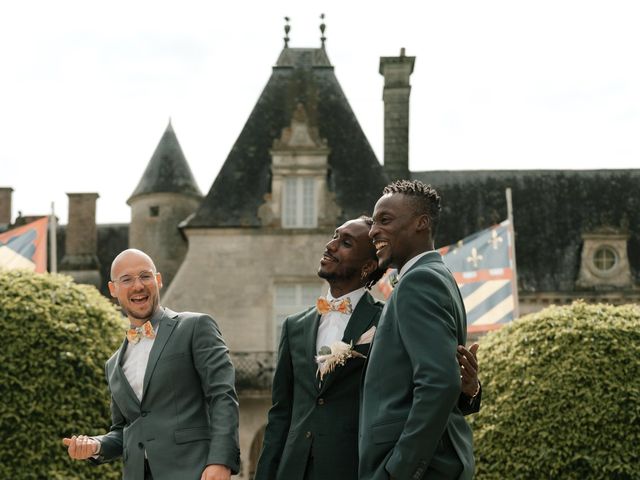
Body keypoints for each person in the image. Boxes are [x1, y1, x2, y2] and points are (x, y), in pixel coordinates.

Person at [255, 217, 480, 480]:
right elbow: (281, 414)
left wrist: (469, 392)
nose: (330, 245)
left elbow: (423, 393)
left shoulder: (388, 321)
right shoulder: (294, 326)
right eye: (334, 236)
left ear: (368, 266)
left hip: (355, 468)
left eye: (346, 243)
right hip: (292, 470)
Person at [62, 249, 240, 480]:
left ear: (158, 280)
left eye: (145, 276)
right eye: (126, 279)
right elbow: (125, 431)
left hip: (195, 472)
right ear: (113, 289)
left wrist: (220, 461)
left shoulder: (196, 326)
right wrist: (95, 445)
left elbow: (222, 395)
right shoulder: (113, 364)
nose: (138, 286)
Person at [359, 180, 476, 480]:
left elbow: (438, 382)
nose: (373, 231)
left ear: (421, 224)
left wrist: (399, 470)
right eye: (373, 223)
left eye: (385, 220)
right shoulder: (438, 276)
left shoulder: (419, 281)